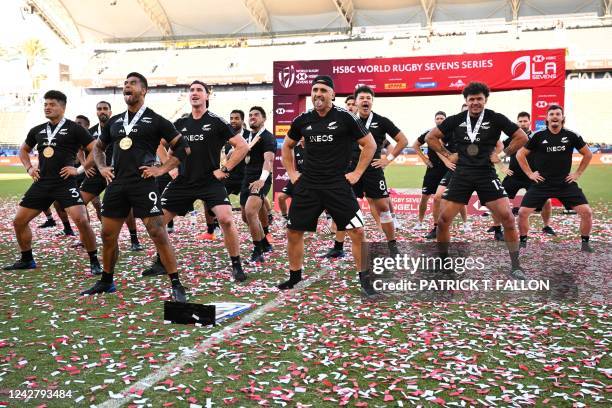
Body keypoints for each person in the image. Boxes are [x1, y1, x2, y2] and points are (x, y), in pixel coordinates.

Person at [79, 72, 189, 302]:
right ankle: (107, 281)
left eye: (132, 84)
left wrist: (161, 169)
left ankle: (176, 283)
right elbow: (98, 148)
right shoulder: (115, 121)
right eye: (125, 84)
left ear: (144, 90)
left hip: (143, 183)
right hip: (117, 185)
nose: (127, 86)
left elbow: (183, 148)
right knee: (108, 235)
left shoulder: (156, 120)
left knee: (158, 233)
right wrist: (102, 168)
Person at [277, 75, 378, 296]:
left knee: (357, 231)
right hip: (309, 185)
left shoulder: (346, 118)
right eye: (315, 90)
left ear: (333, 94)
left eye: (323, 90)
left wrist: (357, 173)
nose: (318, 94)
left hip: (337, 184)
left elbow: (369, 145)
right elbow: (287, 146)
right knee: (293, 232)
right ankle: (295, 277)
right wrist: (292, 173)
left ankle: (365, 279)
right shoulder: (302, 119)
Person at [142, 80, 249, 281]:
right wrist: (169, 168)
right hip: (183, 181)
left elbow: (242, 146)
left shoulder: (216, 121)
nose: (195, 93)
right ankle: (161, 262)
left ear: (207, 96)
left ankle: (236, 264)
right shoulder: (180, 123)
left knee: (226, 219)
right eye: (191, 90)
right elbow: (159, 145)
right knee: (156, 223)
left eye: (199, 90)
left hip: (209, 181)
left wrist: (224, 169)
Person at [425, 82, 529, 279]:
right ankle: (443, 263)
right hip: (462, 174)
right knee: (444, 220)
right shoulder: (456, 119)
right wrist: (448, 154)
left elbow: (521, 137)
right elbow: (431, 137)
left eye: (479, 99)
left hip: (486, 174)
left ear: (485, 100)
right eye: (471, 99)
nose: (475, 103)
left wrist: (503, 153)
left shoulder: (495, 118)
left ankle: (516, 265)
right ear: (466, 101)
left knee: (507, 217)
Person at [3, 90, 102, 275]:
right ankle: (27, 259)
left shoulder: (75, 128)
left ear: (62, 107)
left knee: (81, 220)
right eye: (45, 104)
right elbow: (23, 150)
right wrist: (30, 168)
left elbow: (96, 149)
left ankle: (94, 260)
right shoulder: (38, 130)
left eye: (52, 104)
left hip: (65, 183)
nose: (47, 107)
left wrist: (79, 169)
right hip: (42, 183)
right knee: (18, 221)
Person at [517, 105, 593, 252]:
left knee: (586, 212)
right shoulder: (537, 136)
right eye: (551, 114)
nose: (555, 116)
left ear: (562, 118)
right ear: (547, 118)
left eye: (558, 114)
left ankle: (585, 244)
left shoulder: (572, 135)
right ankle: (523, 242)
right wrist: (530, 174)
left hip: (564, 183)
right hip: (542, 183)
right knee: (522, 213)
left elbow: (588, 154)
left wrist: (577, 174)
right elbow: (520, 154)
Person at [349, 85, 407, 255]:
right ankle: (340, 247)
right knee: (347, 207)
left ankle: (392, 245)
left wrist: (387, 160)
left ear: (372, 101)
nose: (365, 100)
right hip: (352, 170)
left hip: (373, 170)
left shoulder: (382, 121)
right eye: (362, 98)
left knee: (383, 207)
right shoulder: (349, 121)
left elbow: (403, 140)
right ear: (356, 102)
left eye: (368, 98)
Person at [80, 101, 144, 251]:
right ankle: (86, 238)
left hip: (117, 172)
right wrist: (85, 166)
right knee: (78, 203)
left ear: (110, 111)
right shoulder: (90, 131)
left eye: (105, 109)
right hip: (97, 172)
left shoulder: (120, 126)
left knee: (126, 207)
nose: (102, 111)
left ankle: (134, 239)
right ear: (96, 112)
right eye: (99, 109)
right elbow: (80, 148)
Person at [497, 111, 555, 235]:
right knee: (499, 199)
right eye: (520, 121)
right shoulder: (511, 138)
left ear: (530, 122)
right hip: (514, 176)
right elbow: (499, 153)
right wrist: (503, 168)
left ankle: (546, 226)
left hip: (533, 176)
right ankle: (498, 228)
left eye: (525, 121)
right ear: (517, 123)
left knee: (547, 201)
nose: (523, 123)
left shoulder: (538, 137)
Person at [426, 104, 469, 239]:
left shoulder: (483, 128)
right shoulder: (454, 128)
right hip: (455, 168)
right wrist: (448, 157)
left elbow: (497, 145)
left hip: (472, 170)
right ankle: (435, 227)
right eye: (465, 111)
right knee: (437, 197)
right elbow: (434, 140)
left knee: (460, 199)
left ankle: (467, 223)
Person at [323, 94, 358, 258]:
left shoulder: (363, 124)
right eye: (348, 104)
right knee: (341, 208)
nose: (351, 106)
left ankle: (390, 242)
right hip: (345, 173)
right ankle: (338, 246)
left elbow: (373, 146)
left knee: (380, 206)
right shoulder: (341, 122)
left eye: (353, 104)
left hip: (363, 172)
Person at [240, 106, 276, 263]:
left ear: (264, 119)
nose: (252, 117)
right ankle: (265, 244)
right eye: (250, 115)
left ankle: (258, 250)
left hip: (260, 179)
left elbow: (269, 160)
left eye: (256, 115)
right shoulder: (247, 136)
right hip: (246, 178)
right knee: (245, 217)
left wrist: (262, 179)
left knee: (250, 212)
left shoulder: (268, 137)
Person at [413, 111, 453, 230]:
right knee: (425, 197)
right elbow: (415, 145)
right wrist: (424, 159)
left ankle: (442, 224)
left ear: (445, 120)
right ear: (435, 120)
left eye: (442, 118)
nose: (440, 120)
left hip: (447, 169)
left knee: (443, 198)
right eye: (438, 118)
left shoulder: (451, 133)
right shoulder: (429, 133)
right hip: (432, 169)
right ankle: (420, 222)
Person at [278, 137, 305, 221]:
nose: (301, 136)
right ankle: (285, 218)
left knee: (322, 196)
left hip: (311, 178)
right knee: (281, 197)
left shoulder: (313, 148)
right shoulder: (295, 148)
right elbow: (286, 160)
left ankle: (329, 218)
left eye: (303, 135)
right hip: (297, 178)